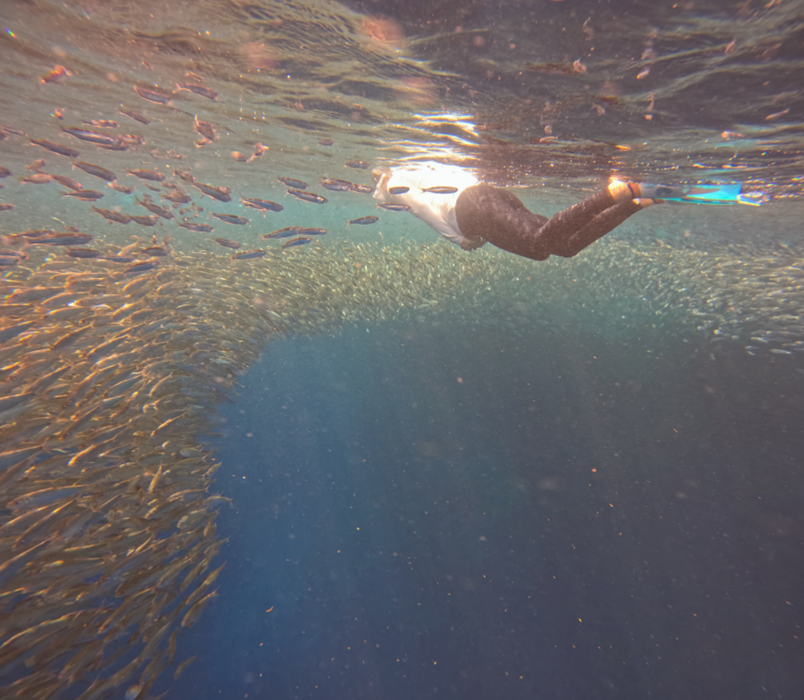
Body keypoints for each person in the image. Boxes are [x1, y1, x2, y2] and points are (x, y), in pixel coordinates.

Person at [372, 162, 659, 261]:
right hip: (486, 197)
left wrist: (459, 240)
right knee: (565, 247)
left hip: (473, 209)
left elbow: (423, 209)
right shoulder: (414, 168)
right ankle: (634, 204)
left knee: (537, 245)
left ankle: (610, 195)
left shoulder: (396, 185)